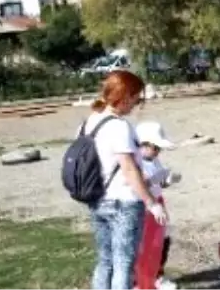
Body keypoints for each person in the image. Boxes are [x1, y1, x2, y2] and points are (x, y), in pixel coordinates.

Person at [78, 70, 168, 290]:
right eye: (137, 98)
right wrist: (152, 203)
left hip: (98, 200)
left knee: (105, 261)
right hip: (123, 203)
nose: (137, 104)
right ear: (126, 95)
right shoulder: (119, 126)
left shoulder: (90, 122)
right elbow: (129, 169)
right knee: (124, 264)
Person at [136, 121, 181, 290]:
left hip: (157, 202)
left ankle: (157, 275)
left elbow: (159, 183)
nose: (158, 152)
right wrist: (156, 179)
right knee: (145, 244)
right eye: (155, 147)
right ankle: (140, 280)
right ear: (143, 144)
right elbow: (140, 183)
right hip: (145, 205)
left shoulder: (153, 160)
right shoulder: (136, 161)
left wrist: (168, 180)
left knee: (162, 239)